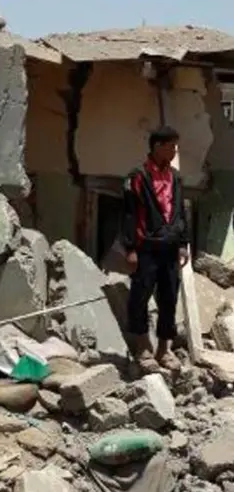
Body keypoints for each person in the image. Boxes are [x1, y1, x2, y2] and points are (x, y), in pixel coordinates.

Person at [121, 125, 189, 373]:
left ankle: (164, 349)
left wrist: (183, 243)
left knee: (169, 297)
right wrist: (130, 248)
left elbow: (181, 211)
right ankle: (142, 347)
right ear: (157, 146)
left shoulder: (176, 177)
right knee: (140, 296)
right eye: (171, 146)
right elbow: (129, 215)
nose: (174, 151)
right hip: (146, 248)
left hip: (170, 248)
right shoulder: (137, 177)